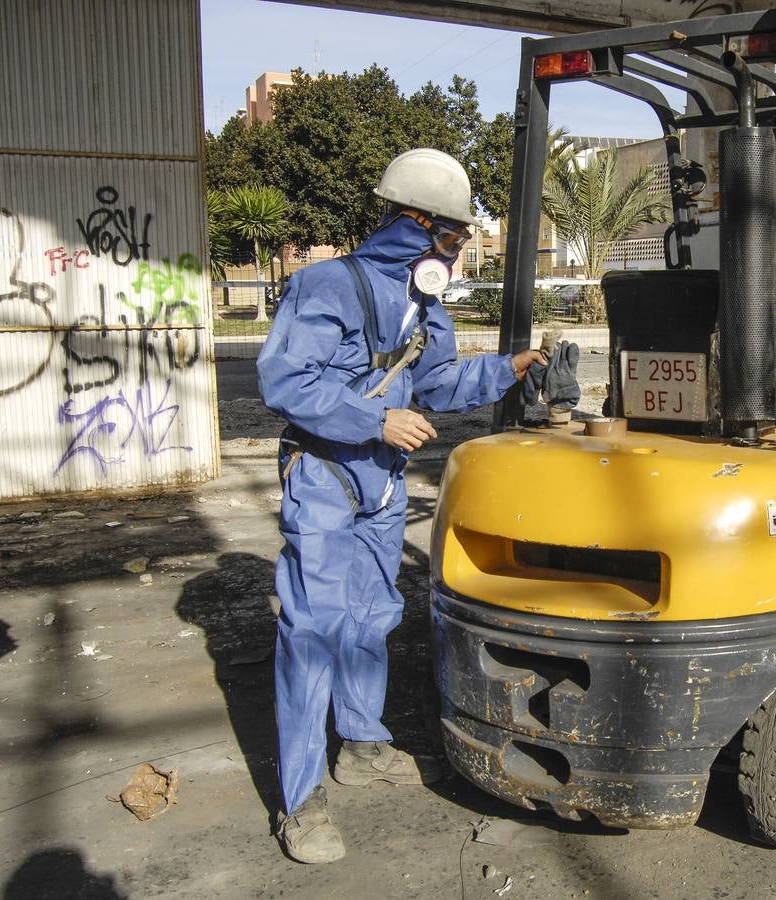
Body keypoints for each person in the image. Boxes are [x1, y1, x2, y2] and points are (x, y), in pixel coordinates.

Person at [257, 149, 545, 864]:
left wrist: (504, 368)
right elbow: (286, 380)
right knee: (314, 628)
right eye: (450, 236)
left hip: (382, 482)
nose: (456, 250)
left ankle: (359, 743)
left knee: (371, 615)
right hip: (325, 474)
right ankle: (301, 800)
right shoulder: (325, 285)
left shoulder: (428, 305)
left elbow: (438, 386)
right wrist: (373, 419)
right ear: (413, 224)